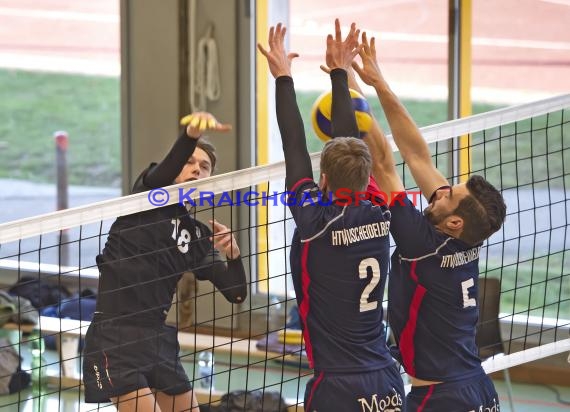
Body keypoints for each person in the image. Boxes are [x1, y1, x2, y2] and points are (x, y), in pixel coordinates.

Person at [351, 32, 507, 411]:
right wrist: (378, 81)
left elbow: (386, 163)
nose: (438, 191)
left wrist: (349, 88)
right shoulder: (467, 234)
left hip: (441, 399)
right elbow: (417, 155)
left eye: (448, 195)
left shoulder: (423, 245)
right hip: (479, 390)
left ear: (454, 222)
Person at [258, 20, 405, 412]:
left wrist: (283, 76)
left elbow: (293, 144)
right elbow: (349, 139)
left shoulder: (315, 223)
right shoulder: (379, 208)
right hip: (388, 378)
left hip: (337, 386)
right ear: (366, 178)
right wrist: (339, 73)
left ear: (322, 178)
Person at [82, 112, 248, 412]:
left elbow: (236, 294)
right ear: (174, 170)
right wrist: (190, 137)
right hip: (115, 335)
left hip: (157, 338)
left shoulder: (197, 235)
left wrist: (235, 257)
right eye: (189, 162)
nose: (197, 169)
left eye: (204, 167)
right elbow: (161, 174)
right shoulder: (146, 197)